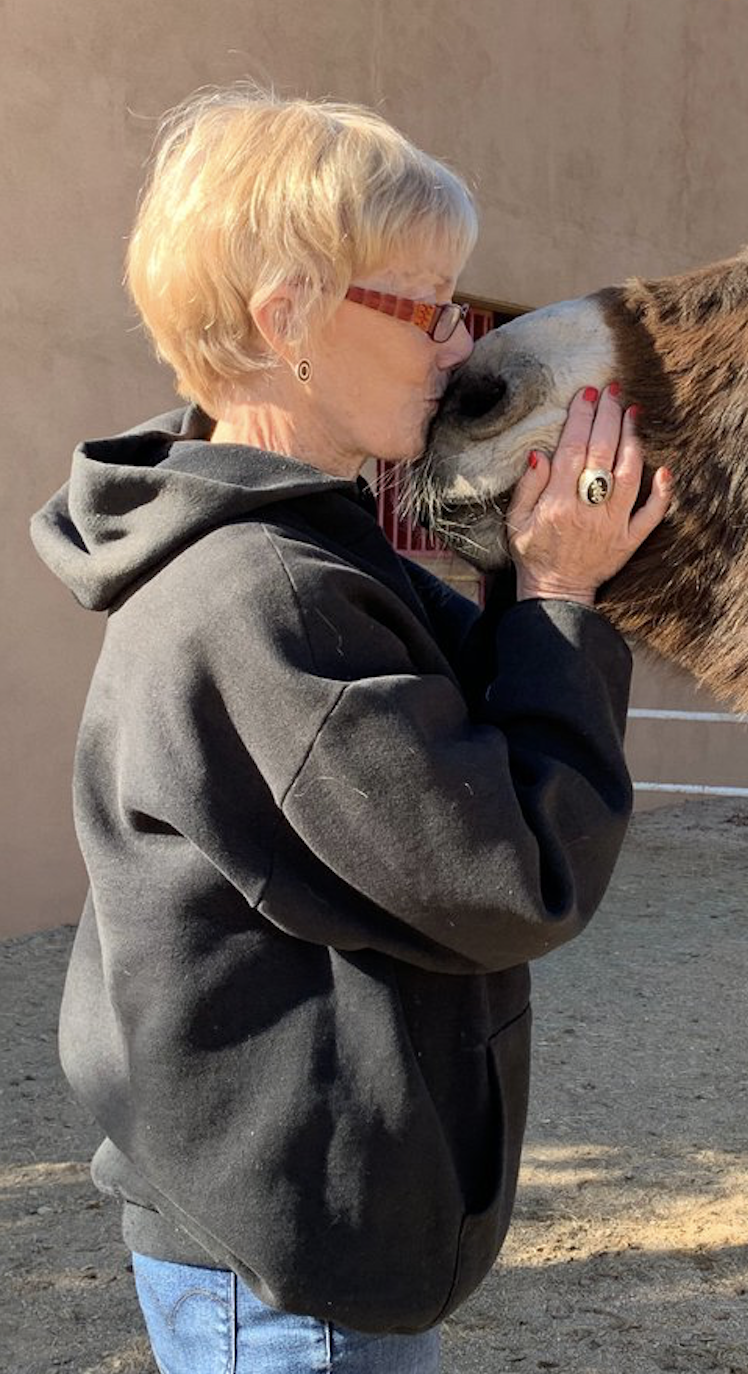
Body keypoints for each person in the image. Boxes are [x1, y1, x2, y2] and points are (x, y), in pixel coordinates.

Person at [30, 87, 671, 1373]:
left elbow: (425, 757)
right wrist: (557, 600)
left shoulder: (263, 558)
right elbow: (508, 878)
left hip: (272, 1222)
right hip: (293, 1257)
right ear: (289, 319)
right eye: (427, 305)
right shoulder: (269, 598)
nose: (457, 346)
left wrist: (517, 572)